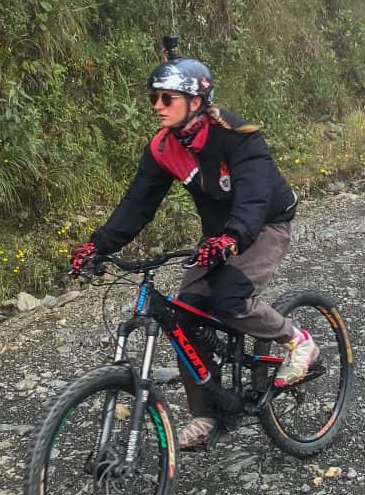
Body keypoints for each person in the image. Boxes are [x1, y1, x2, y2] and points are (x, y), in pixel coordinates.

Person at [67, 54, 317, 450]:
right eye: (155, 98)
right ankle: (208, 415)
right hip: (220, 234)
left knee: (229, 296)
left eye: (167, 98)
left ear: (195, 102)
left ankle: (296, 339)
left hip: (265, 224)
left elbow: (254, 197)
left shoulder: (237, 136)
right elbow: (138, 205)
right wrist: (97, 245)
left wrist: (233, 237)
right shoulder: (164, 148)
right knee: (184, 312)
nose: (157, 106)